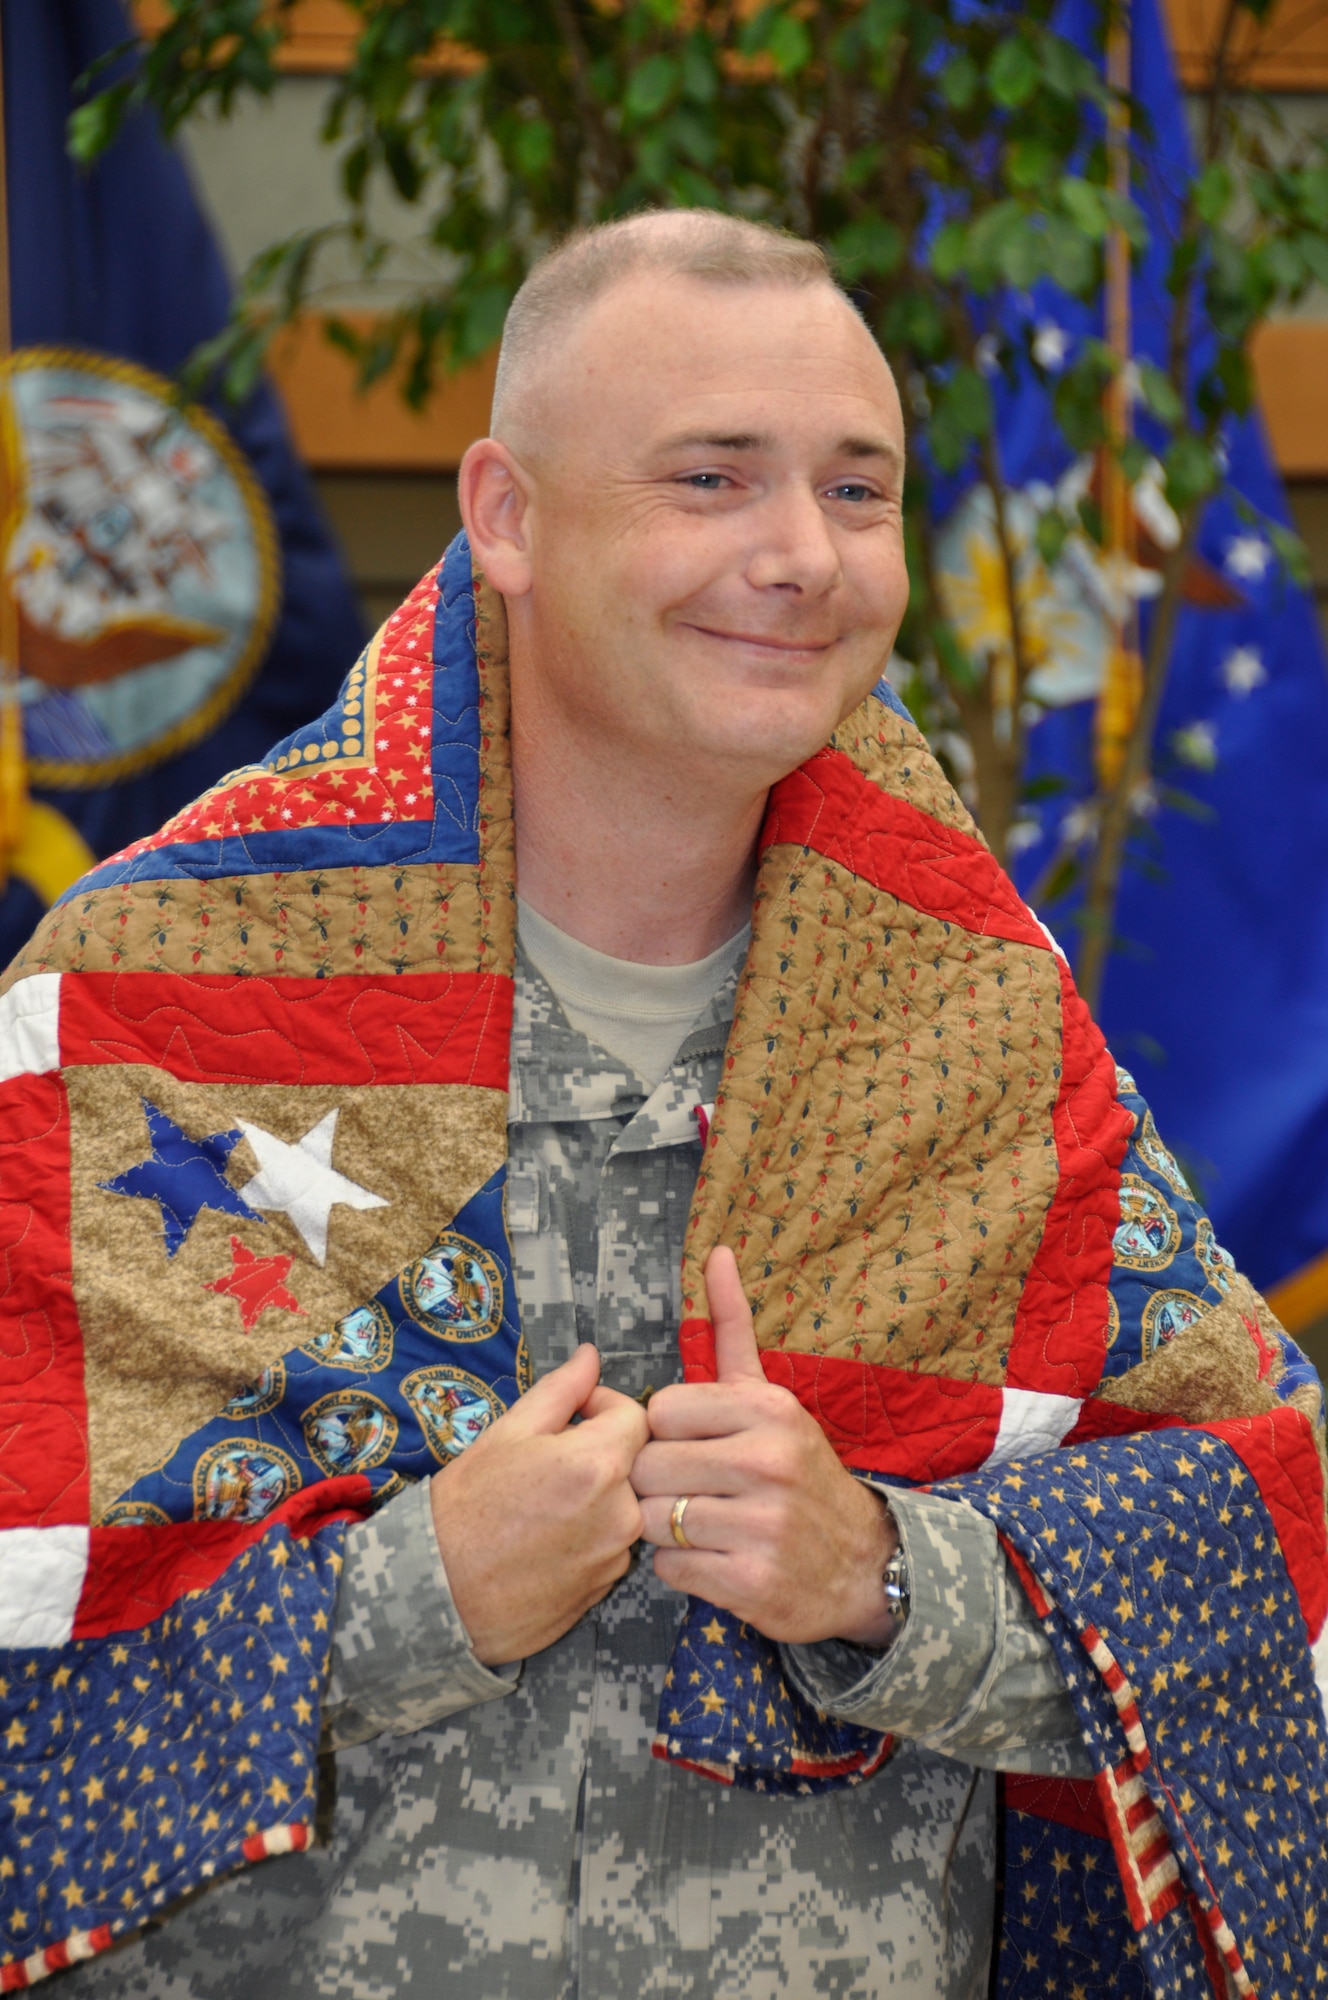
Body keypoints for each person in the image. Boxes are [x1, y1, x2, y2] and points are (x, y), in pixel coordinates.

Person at [31, 211, 1327, 1999]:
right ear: (505, 517)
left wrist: (883, 1579)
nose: (800, 554)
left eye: (857, 490)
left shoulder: (979, 1028)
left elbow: (1259, 1594)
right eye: (711, 478)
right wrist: (417, 1597)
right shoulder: (150, 1001)